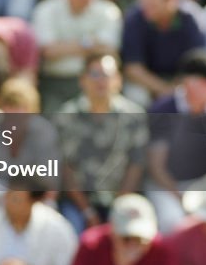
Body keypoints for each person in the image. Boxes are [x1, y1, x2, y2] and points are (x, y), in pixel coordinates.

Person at [145, 51, 206, 233]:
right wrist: (183, 200)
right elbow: (157, 168)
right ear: (188, 83)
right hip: (166, 186)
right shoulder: (162, 109)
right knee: (172, 222)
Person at [56, 53, 148, 230]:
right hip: (78, 204)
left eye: (107, 75)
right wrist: (87, 211)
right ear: (82, 80)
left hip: (123, 201)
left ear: (118, 80)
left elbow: (136, 164)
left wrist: (118, 208)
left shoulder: (134, 116)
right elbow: (65, 168)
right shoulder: (66, 117)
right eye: (95, 74)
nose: (101, 81)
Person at [32, 0, 123, 111]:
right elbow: (47, 51)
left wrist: (64, 47)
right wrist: (89, 44)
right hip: (54, 83)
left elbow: (108, 50)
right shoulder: (46, 10)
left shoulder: (108, 11)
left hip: (96, 82)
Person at [121, 0, 206, 105]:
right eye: (144, 0)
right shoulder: (135, 18)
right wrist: (164, 90)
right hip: (148, 82)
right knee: (135, 96)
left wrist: (175, 90)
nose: (146, 7)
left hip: (182, 81)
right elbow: (133, 68)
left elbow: (196, 66)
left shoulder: (192, 20)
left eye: (153, 3)